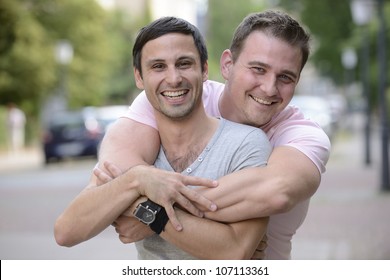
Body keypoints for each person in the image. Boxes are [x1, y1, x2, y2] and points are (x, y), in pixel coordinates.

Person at [95, 10, 331, 259]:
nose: (270, 88)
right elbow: (114, 170)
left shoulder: (304, 135)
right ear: (228, 64)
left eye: (285, 77)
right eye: (258, 69)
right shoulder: (178, 95)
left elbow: (277, 191)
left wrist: (151, 214)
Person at [55, 16, 272, 260]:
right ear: (139, 77)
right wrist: (138, 179)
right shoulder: (137, 151)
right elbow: (66, 232)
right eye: (158, 66)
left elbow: (235, 250)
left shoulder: (246, 143)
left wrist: (144, 210)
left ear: (203, 70)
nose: (173, 78)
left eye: (184, 63)